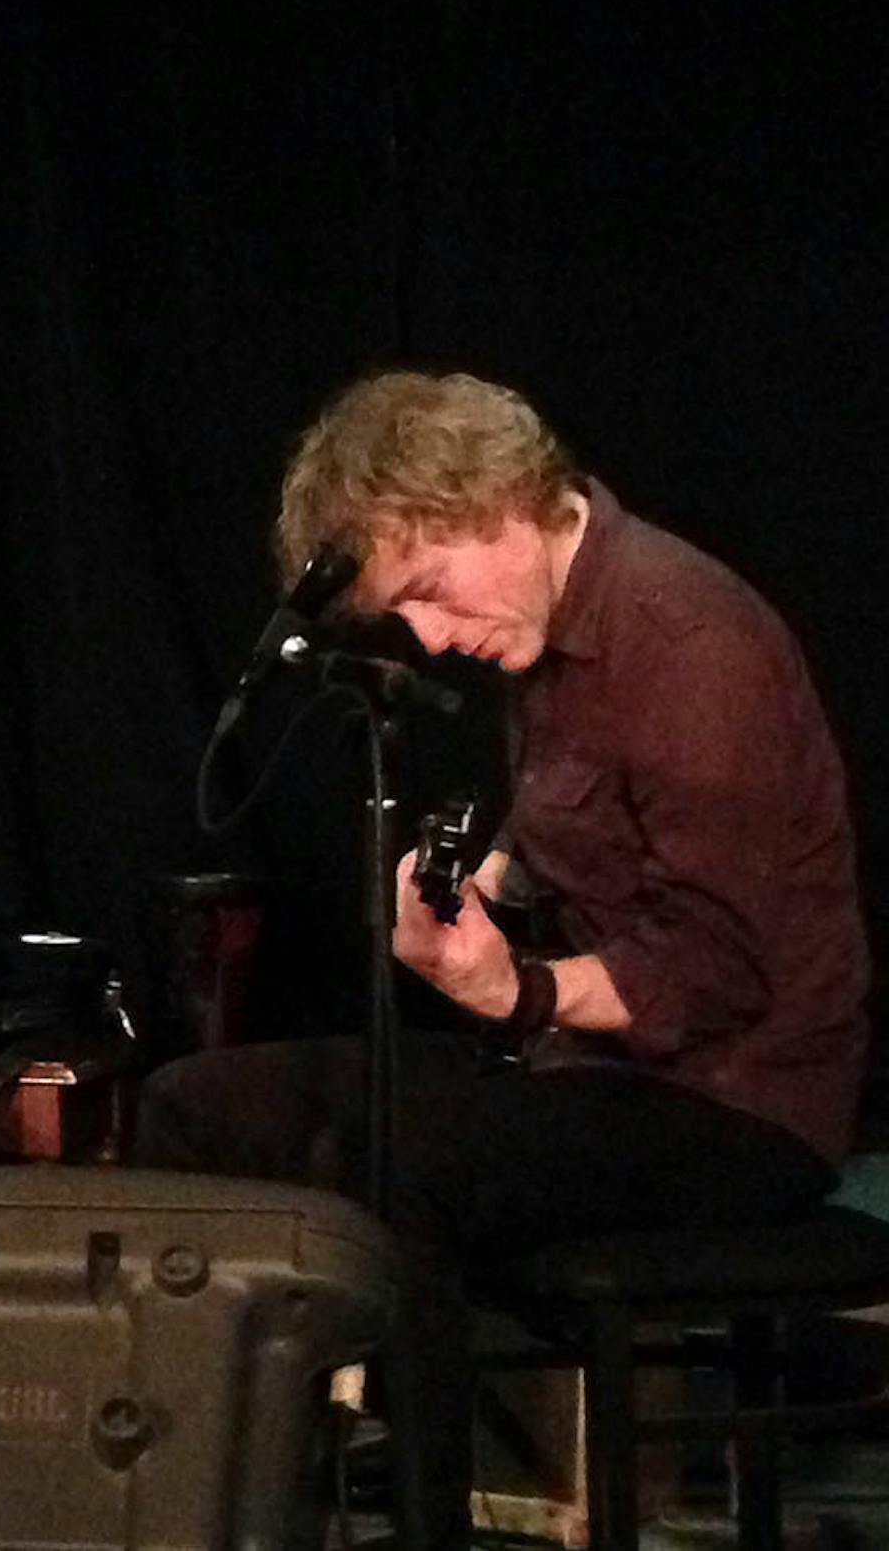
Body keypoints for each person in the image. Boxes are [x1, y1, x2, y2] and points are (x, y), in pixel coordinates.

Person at [136, 371, 870, 1548]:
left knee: (402, 1159)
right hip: (590, 1066)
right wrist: (479, 881)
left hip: (738, 1099)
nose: (429, 639)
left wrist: (516, 987)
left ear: (495, 502)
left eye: (426, 591)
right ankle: (201, 1488)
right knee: (196, 1105)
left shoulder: (688, 641)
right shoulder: (543, 635)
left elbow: (717, 966)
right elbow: (574, 825)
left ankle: (429, 1523)